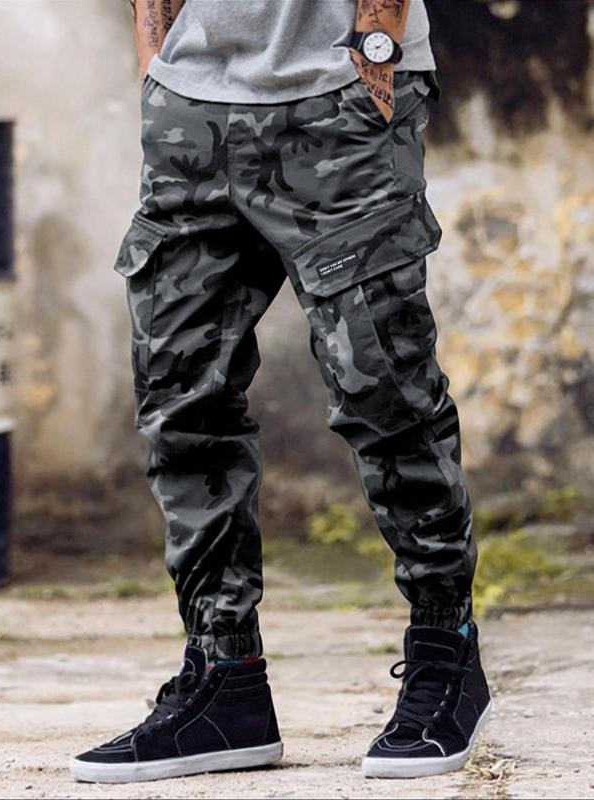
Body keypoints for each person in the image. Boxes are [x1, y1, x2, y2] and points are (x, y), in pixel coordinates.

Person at [70, 0, 491, 784]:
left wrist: (375, 49)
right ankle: (224, 680)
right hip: (191, 105)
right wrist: (158, 65)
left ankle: (447, 649)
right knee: (180, 396)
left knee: (384, 390)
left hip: (341, 91)